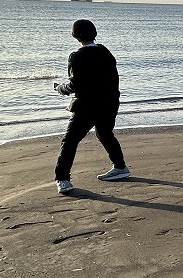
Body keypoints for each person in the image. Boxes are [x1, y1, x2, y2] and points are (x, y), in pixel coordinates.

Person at [54, 19, 129, 194]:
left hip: (87, 105)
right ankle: (120, 167)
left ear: (75, 35)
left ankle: (62, 178)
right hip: (110, 102)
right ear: (94, 33)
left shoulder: (76, 56)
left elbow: (75, 85)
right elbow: (113, 79)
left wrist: (60, 89)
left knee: (70, 140)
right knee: (104, 133)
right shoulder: (105, 52)